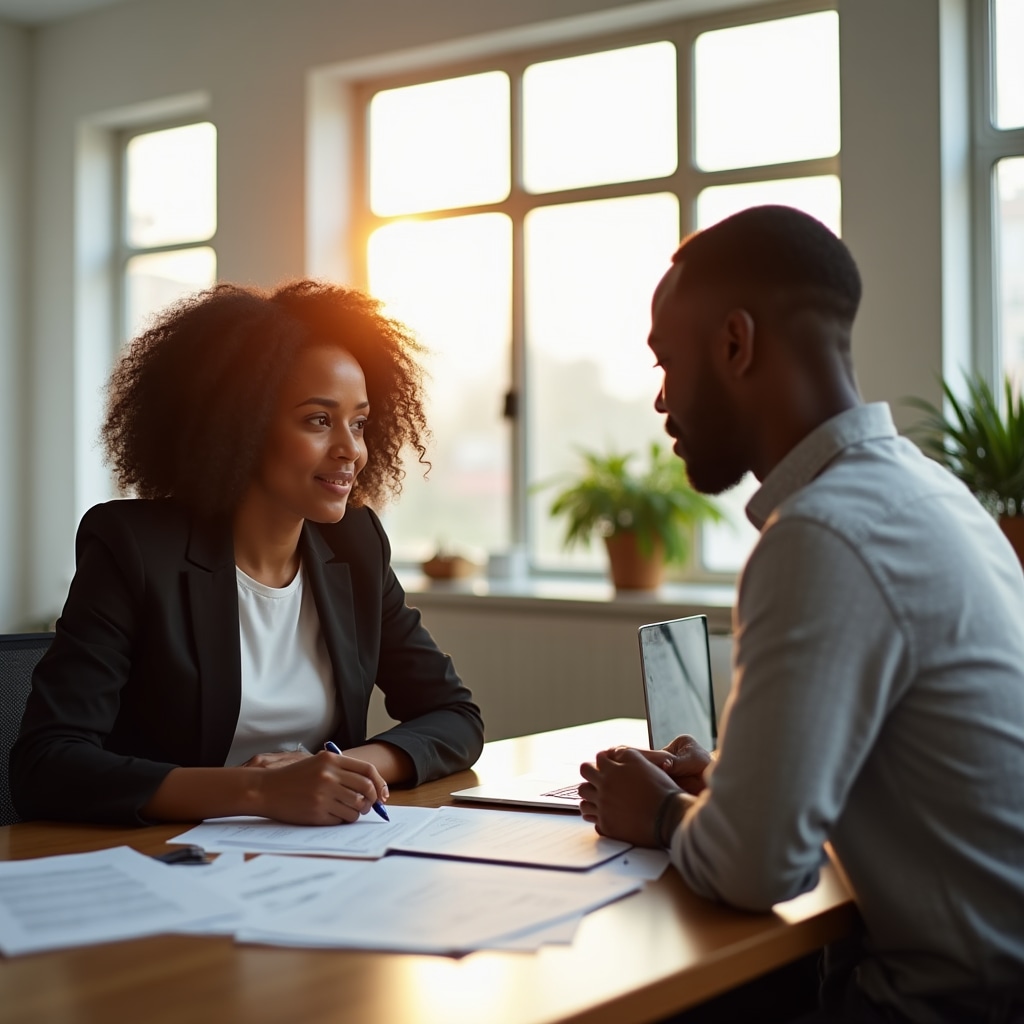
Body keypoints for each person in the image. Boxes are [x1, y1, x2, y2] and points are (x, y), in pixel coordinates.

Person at [578, 206, 1024, 1022]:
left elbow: (757, 870)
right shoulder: (934, 496)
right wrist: (735, 782)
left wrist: (662, 812)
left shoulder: (822, 532)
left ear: (737, 344)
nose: (661, 398)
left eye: (667, 363)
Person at [12, 280, 484, 827]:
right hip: (169, 858)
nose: (350, 449)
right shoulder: (134, 549)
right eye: (317, 420)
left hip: (314, 856)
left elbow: (454, 716)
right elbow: (47, 766)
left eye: (359, 423)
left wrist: (339, 770)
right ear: (239, 427)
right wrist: (257, 791)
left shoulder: (355, 547)